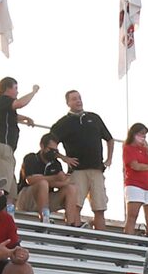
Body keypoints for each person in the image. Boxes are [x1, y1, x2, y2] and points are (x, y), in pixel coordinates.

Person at [46, 89, 115, 227]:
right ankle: (75, 235)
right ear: (68, 103)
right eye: (74, 99)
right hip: (77, 170)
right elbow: (48, 143)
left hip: (96, 169)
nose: (78, 101)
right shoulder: (63, 123)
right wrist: (64, 158)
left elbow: (109, 139)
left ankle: (100, 240)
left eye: (79, 98)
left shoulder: (94, 118)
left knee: (99, 207)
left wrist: (109, 159)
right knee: (75, 204)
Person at [0, 75, 39, 190]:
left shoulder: (2, 106)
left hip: (6, 148)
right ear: (8, 89)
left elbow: (10, 116)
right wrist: (33, 92)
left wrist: (25, 118)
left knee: (12, 189)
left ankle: (8, 207)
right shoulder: (2, 100)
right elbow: (19, 103)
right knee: (1, 185)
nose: (17, 92)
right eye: (15, 88)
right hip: (0, 146)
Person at [15, 129, 70, 220]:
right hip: (26, 198)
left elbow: (58, 183)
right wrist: (55, 178)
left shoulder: (56, 163)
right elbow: (30, 180)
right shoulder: (31, 158)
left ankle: (71, 224)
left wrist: (64, 180)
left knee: (71, 188)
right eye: (50, 149)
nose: (53, 153)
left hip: (46, 198)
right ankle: (45, 219)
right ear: (42, 146)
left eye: (55, 151)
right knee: (42, 183)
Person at [120, 123, 148, 233]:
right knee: (132, 216)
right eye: (141, 134)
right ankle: (129, 241)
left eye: (145, 134)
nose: (143, 137)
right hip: (135, 184)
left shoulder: (145, 150)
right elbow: (135, 166)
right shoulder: (128, 148)